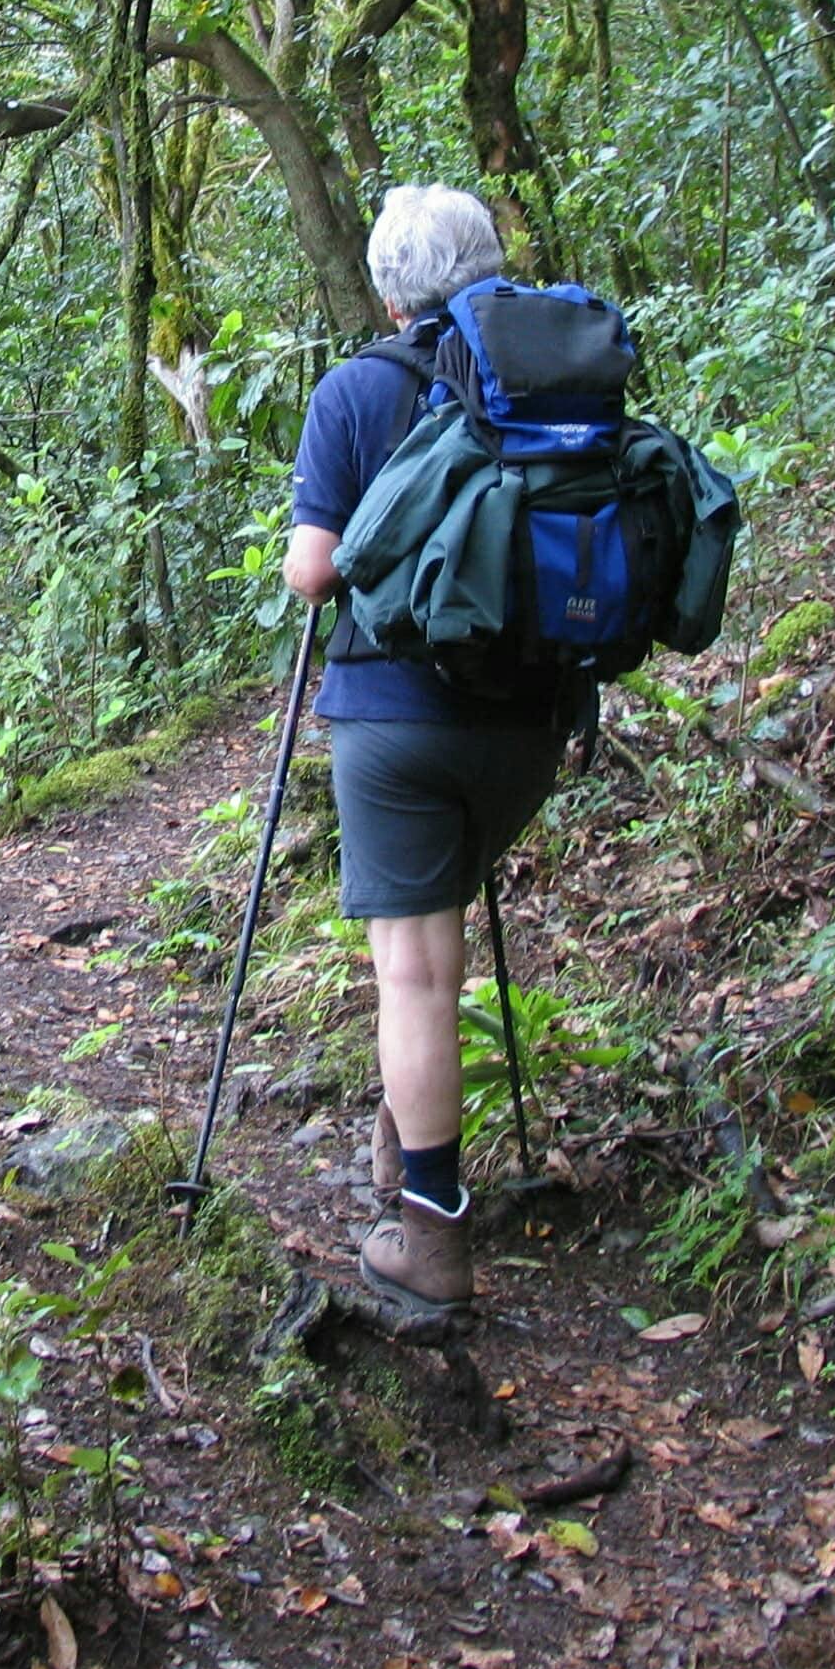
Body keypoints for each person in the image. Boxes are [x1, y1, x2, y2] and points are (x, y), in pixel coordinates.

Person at [283, 183, 567, 1319]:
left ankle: (433, 1241)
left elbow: (313, 571)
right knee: (438, 964)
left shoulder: (356, 391)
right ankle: (409, 1145)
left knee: (414, 970)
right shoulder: (546, 386)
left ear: (390, 287)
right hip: (531, 724)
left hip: (397, 720)